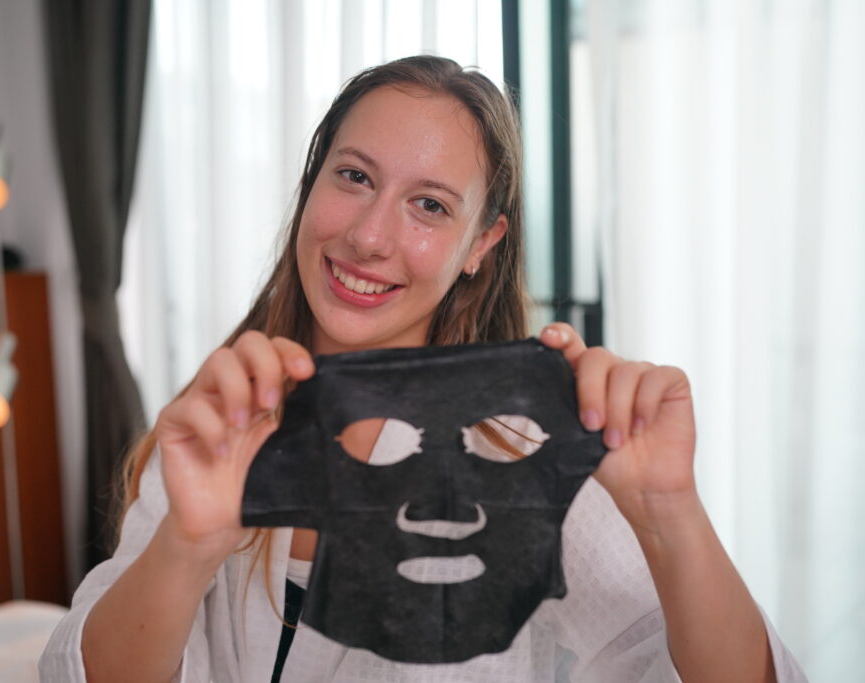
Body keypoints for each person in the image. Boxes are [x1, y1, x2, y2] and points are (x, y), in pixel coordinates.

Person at [40, 55, 806, 682]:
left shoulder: (531, 452)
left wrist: (670, 510)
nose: (371, 236)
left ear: (483, 243)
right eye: (354, 177)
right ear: (312, 186)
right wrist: (188, 542)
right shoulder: (220, 425)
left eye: (430, 206)